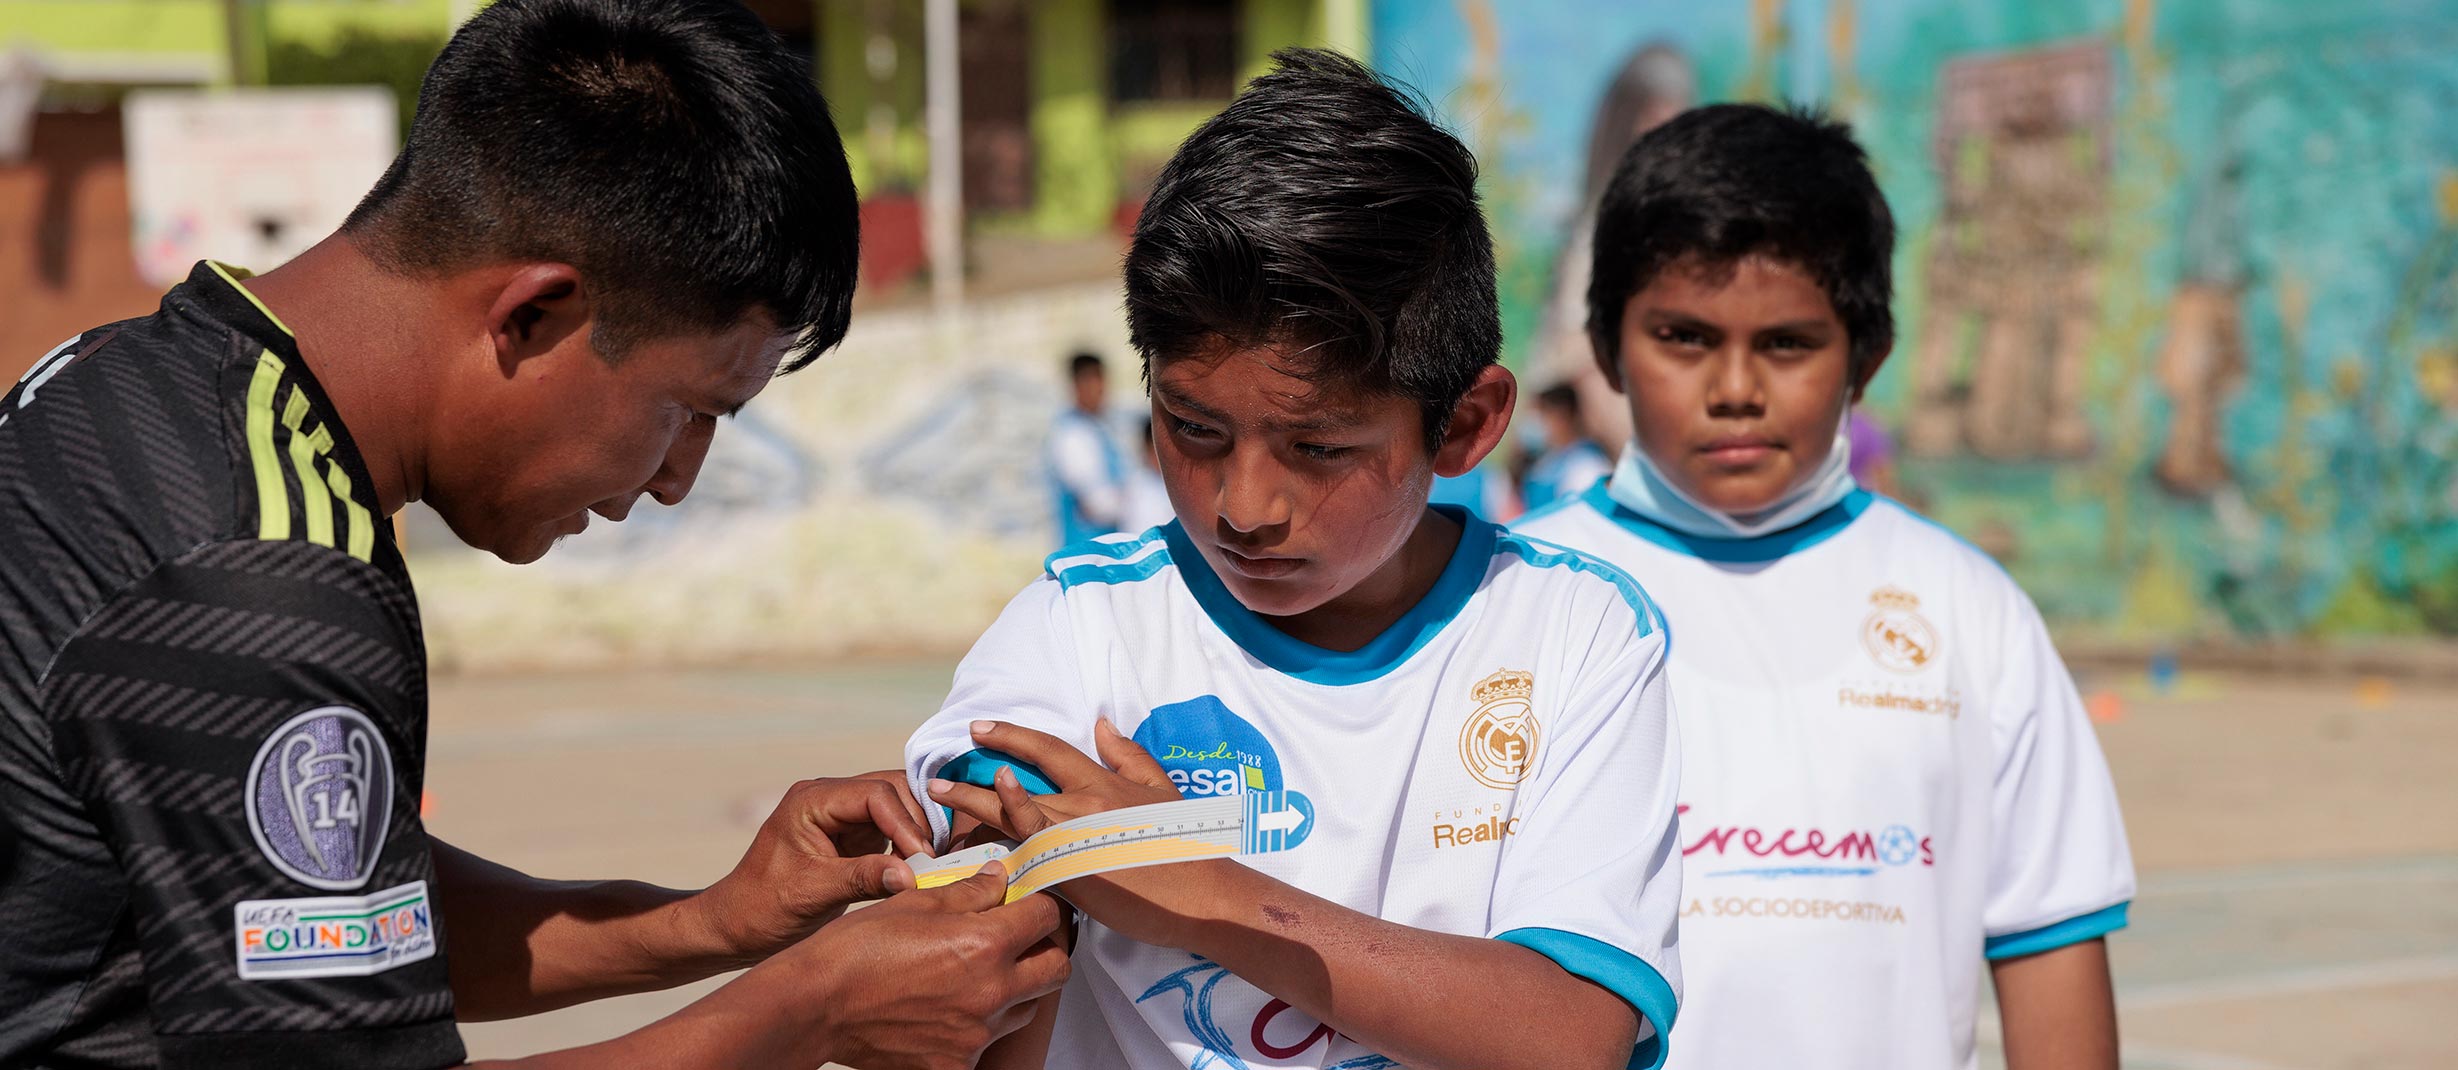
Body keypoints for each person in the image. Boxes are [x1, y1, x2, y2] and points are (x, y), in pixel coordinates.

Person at [0, 3, 1065, 1067]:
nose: (677, 479)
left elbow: (310, 925)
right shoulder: (263, 573)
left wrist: (712, 921)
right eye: (688, 409)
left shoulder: (133, 382)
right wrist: (805, 1011)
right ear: (533, 315)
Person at [903, 50, 1683, 1070]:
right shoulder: (1080, 630)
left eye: (1318, 447)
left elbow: (1568, 1034)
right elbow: (957, 963)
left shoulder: (1576, 636)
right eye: (1191, 428)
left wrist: (1199, 885)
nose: (1244, 507)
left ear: (1464, 425)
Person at [1514, 104, 2134, 1070]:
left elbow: (2048, 950)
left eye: (1789, 344)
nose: (1734, 389)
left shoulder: (1970, 610)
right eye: (1683, 336)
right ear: (1604, 349)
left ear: (1866, 360)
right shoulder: (1510, 598)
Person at [1049, 351, 1129, 547]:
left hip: (1108, 550)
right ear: (1076, 385)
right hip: (1085, 553)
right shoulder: (1071, 436)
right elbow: (1098, 504)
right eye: (1091, 381)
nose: (1099, 389)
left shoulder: (1104, 427)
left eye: (1101, 380)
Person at [1520, 382, 1614, 510]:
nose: (1535, 422)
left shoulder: (1586, 466)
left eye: (1541, 414)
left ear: (1562, 415)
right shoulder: (1549, 461)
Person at [1118, 417, 1176, 533]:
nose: (1160, 458)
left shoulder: (1181, 486)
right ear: (1146, 449)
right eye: (1154, 450)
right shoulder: (1134, 485)